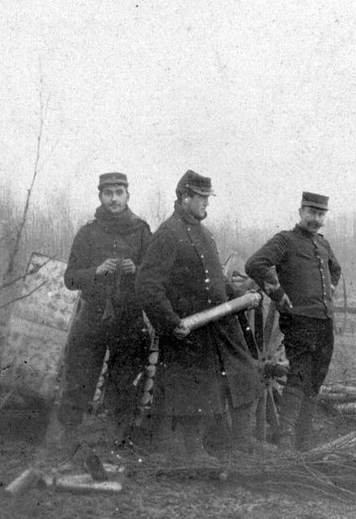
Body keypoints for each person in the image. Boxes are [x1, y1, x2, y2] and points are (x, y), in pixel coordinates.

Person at [135, 170, 270, 463]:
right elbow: (147, 285)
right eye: (201, 198)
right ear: (184, 197)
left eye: (207, 198)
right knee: (196, 385)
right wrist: (170, 323)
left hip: (220, 322)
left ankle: (242, 440)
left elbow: (218, 279)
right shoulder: (167, 234)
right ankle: (193, 448)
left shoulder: (204, 233)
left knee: (244, 370)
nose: (206, 204)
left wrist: (240, 298)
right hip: (189, 328)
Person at [54, 172, 152, 447]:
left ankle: (116, 438)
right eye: (108, 193)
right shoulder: (87, 233)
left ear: (127, 196)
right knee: (79, 377)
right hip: (93, 316)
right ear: (100, 196)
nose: (114, 199)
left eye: (119, 192)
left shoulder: (142, 231)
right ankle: (68, 436)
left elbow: (157, 274)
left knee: (125, 379)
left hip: (129, 319)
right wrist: (95, 272)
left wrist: (138, 270)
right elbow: (70, 278)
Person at [245, 191, 341, 450]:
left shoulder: (323, 244)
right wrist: (277, 293)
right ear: (300, 212)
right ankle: (286, 437)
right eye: (311, 213)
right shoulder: (285, 241)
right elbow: (255, 264)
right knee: (298, 376)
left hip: (323, 321)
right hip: (299, 321)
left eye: (321, 214)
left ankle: (304, 438)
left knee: (316, 378)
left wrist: (327, 296)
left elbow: (336, 269)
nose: (316, 219)